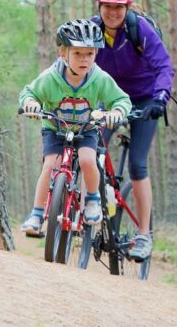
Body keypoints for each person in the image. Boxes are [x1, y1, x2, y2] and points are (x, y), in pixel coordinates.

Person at [19, 19, 132, 236]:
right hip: (55, 128)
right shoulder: (51, 78)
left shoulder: (98, 78)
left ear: (96, 55)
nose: (84, 59)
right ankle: (36, 214)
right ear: (63, 54)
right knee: (50, 165)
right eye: (78, 53)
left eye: (89, 54)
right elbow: (28, 93)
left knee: (88, 160)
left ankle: (92, 198)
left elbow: (121, 99)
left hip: (86, 128)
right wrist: (31, 104)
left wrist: (116, 113)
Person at [91, 0, 174, 261]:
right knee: (89, 147)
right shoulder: (90, 30)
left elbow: (164, 66)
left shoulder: (139, 29)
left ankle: (143, 235)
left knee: (138, 163)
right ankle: (94, 208)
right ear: (99, 5)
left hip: (144, 99)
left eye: (119, 6)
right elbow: (69, 62)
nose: (113, 12)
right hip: (112, 99)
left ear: (127, 7)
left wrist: (160, 98)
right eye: (107, 6)